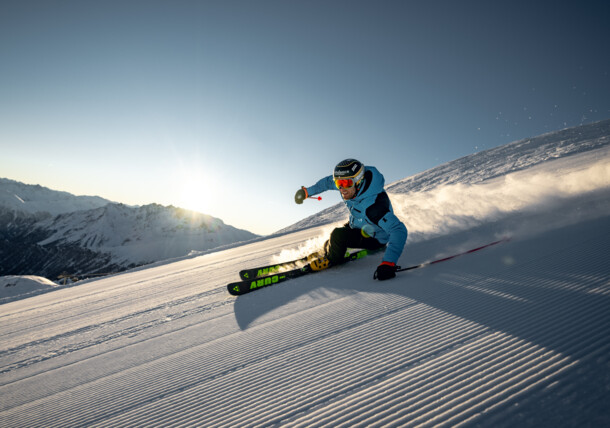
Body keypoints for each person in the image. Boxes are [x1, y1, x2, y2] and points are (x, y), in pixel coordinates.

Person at [294, 158, 408, 280]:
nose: (342, 189)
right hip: (361, 225)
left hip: (376, 238)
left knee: (338, 235)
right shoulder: (349, 186)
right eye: (339, 184)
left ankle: (332, 259)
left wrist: (388, 263)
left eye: (346, 184)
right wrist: (307, 192)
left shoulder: (374, 208)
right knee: (334, 239)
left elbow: (398, 230)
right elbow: (327, 182)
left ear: (359, 181)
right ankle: (329, 250)